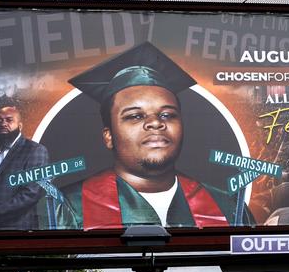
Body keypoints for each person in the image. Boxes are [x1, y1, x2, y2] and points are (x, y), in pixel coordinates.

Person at [57, 42, 245, 229]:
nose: (155, 122)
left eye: (167, 115)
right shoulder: (68, 207)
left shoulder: (228, 207)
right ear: (109, 137)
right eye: (135, 116)